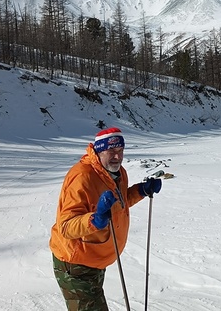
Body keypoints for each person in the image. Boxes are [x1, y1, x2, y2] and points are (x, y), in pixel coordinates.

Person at [50, 127, 162, 310]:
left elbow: (119, 203)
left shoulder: (118, 173)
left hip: (95, 260)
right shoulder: (82, 177)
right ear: (99, 151)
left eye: (120, 151)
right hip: (75, 263)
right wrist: (94, 219)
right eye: (111, 152)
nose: (117, 157)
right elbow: (66, 226)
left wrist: (141, 191)